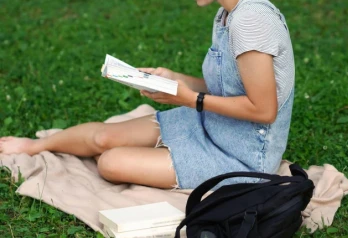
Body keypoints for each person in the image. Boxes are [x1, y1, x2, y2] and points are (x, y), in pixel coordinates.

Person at [0, 0, 295, 190]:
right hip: (212, 122)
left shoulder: (251, 22)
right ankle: (35, 146)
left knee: (110, 162)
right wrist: (175, 80)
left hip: (241, 158)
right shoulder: (227, 14)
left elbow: (263, 110)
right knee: (102, 139)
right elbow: (227, 88)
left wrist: (190, 100)